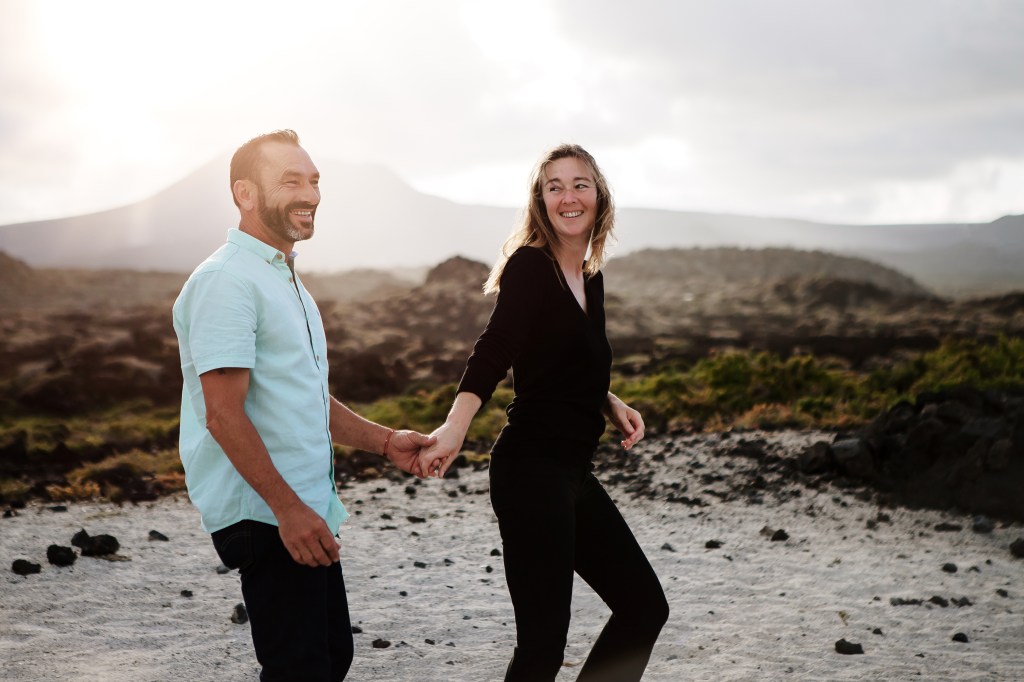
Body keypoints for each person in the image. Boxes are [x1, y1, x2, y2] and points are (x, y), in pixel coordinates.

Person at [172, 129, 435, 681]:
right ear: (245, 194)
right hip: (267, 512)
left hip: (300, 507)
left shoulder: (282, 278)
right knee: (302, 669)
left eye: (314, 180)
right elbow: (222, 414)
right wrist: (288, 511)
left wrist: (385, 442)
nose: (310, 194)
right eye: (290, 180)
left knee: (329, 658)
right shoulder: (227, 281)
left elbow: (306, 395)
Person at [419, 144, 669, 681]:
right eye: (554, 185)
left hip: (573, 472)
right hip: (531, 470)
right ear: (540, 201)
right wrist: (453, 428)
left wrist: (609, 400)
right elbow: (496, 347)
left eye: (580, 183)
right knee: (542, 648)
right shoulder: (531, 265)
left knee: (645, 608)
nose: (568, 196)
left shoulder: (590, 274)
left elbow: (572, 353)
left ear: (599, 196)